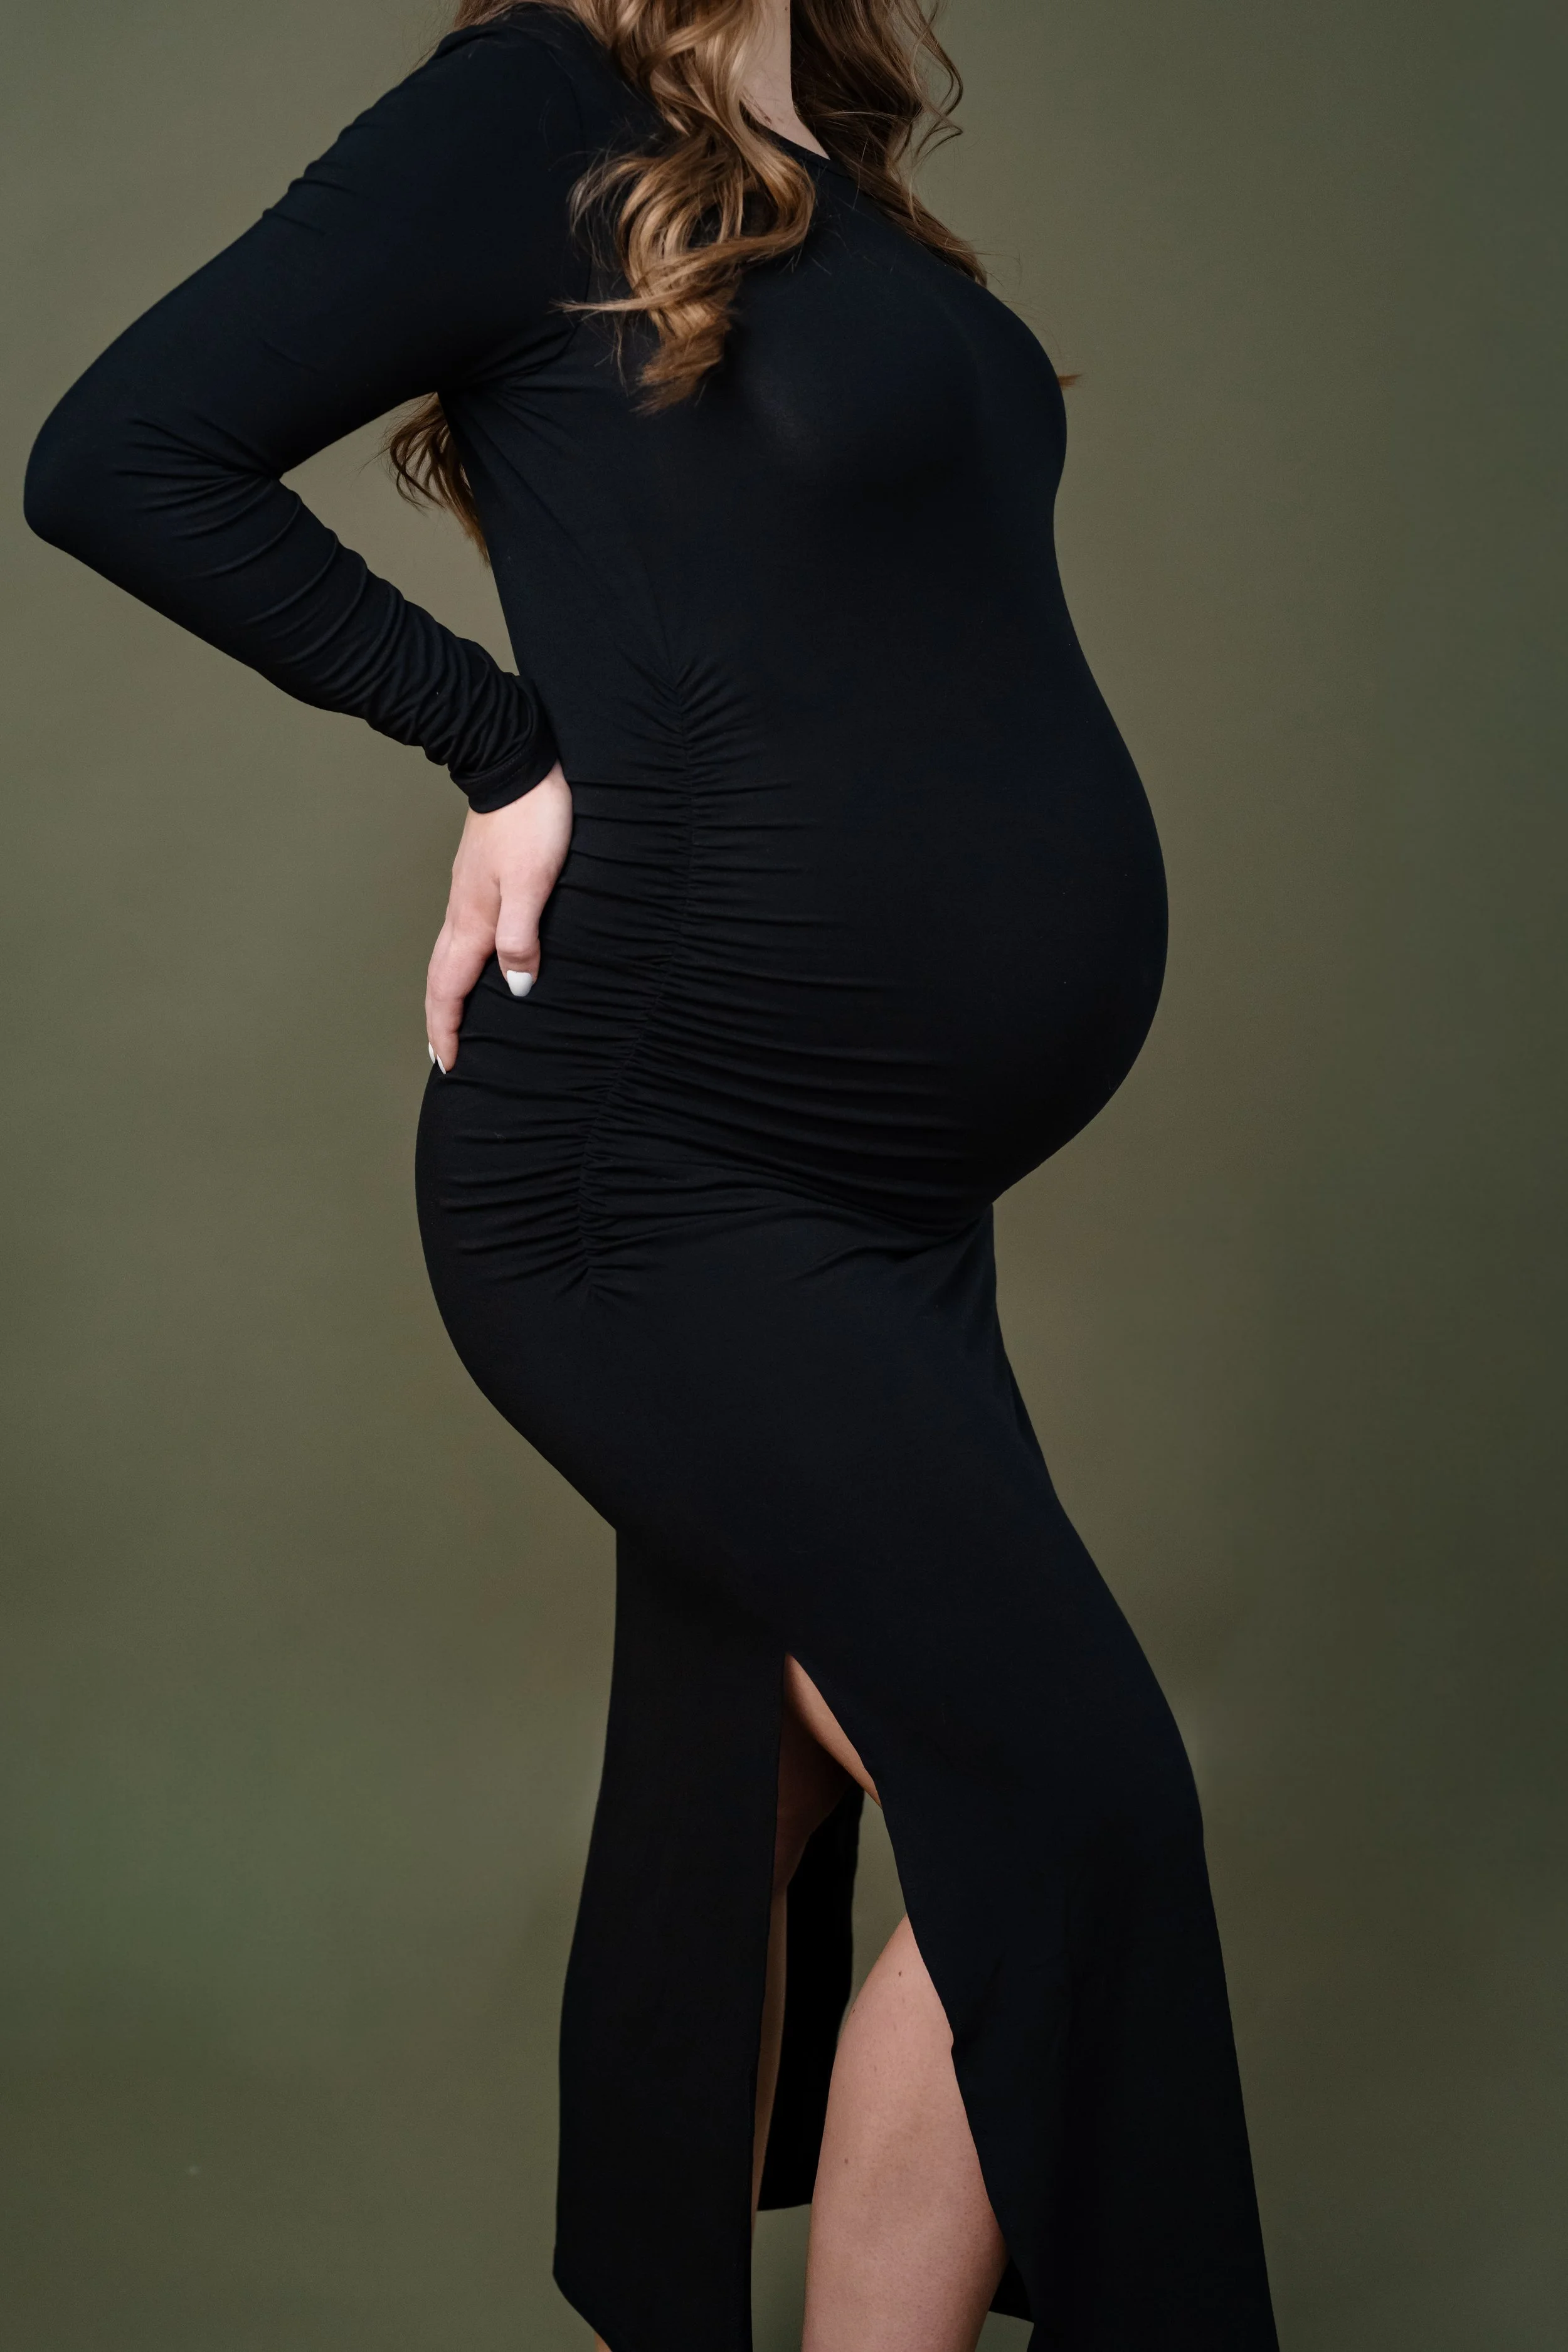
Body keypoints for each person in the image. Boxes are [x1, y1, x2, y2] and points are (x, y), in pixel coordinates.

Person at [24, 3, 1279, 2346]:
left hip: (886, 1196)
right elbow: (117, 452)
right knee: (1070, 1803)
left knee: (771, 1795)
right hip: (656, 1168)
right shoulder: (531, 106)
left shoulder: (834, 154)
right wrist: (496, 751)